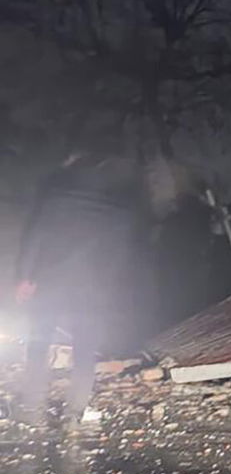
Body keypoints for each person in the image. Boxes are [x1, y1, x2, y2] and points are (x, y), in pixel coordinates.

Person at [10, 152, 141, 430]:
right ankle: (74, 414)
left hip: (51, 283)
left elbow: (34, 238)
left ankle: (34, 408)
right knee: (85, 352)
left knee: (39, 344)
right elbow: (123, 258)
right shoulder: (118, 212)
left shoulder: (55, 201)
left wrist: (25, 277)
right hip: (94, 290)